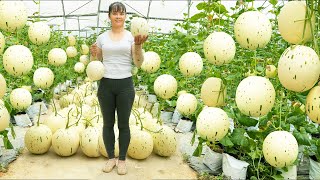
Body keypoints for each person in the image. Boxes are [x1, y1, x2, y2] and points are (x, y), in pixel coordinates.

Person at [90, 1, 147, 175]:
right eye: (115, 13)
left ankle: (121, 160)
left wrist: (138, 46)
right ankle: (110, 158)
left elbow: (138, 62)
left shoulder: (131, 36)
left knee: (123, 125)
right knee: (108, 124)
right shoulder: (102, 37)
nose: (118, 16)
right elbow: (97, 62)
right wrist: (93, 53)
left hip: (125, 85)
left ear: (125, 16)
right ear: (109, 16)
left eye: (121, 13)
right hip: (106, 85)